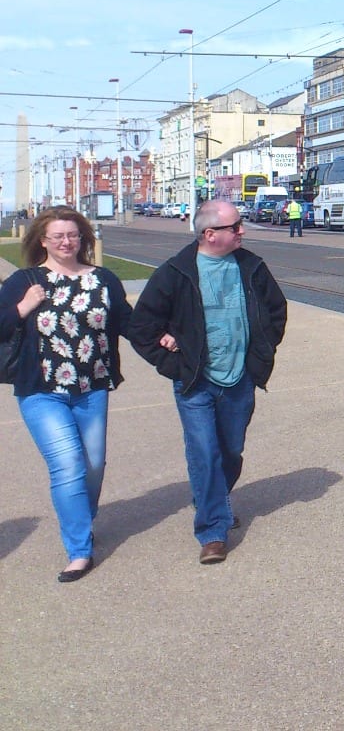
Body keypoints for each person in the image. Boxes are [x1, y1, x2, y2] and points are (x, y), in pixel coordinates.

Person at [130, 198, 288, 565]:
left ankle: (210, 498)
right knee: (205, 452)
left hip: (240, 378)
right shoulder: (175, 272)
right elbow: (142, 328)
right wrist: (173, 363)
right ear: (210, 234)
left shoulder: (252, 266)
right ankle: (213, 531)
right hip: (195, 382)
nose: (242, 231)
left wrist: (260, 353)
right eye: (235, 226)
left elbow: (276, 311)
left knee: (230, 451)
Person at [0, 206, 134, 582]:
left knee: (93, 467)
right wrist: (23, 307)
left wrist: (168, 339)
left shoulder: (103, 279)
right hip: (42, 391)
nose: (66, 241)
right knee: (68, 465)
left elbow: (129, 322)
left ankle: (81, 521)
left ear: (83, 239)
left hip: (93, 388)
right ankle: (79, 551)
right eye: (58, 236)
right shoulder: (25, 280)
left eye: (73, 235)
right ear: (43, 241)